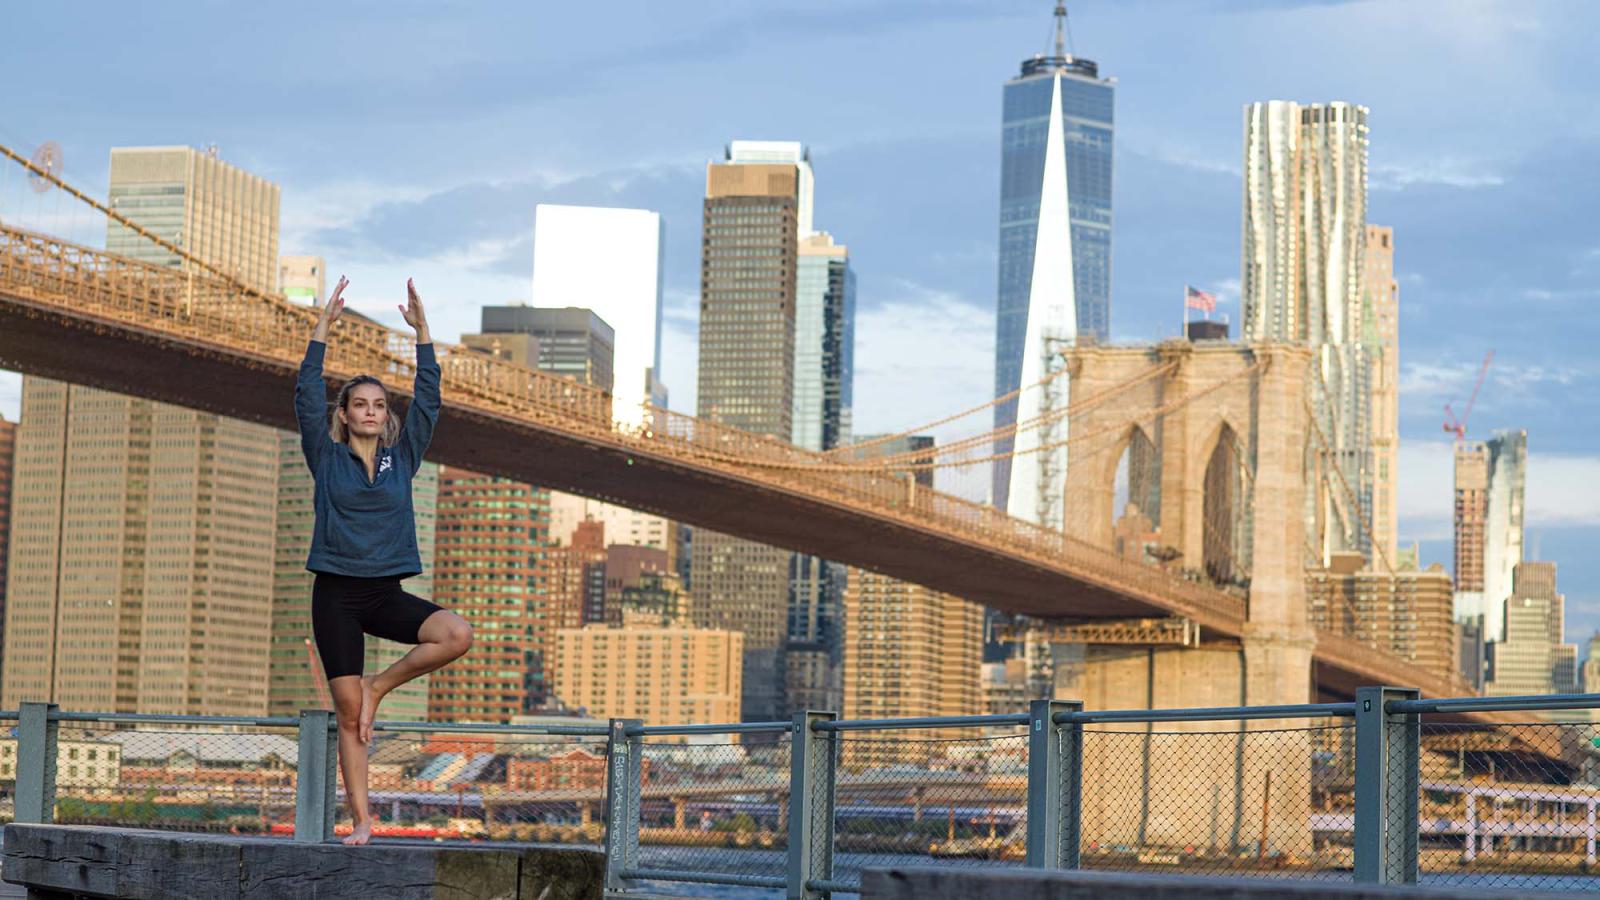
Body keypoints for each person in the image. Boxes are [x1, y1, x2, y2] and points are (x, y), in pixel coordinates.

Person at [295, 275, 473, 845]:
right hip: (338, 597)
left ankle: (381, 685)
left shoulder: (404, 457)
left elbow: (429, 401)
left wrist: (424, 335)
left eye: (377, 405)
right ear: (344, 416)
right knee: (349, 718)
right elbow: (304, 393)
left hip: (384, 592)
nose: (370, 411)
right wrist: (320, 331)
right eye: (359, 405)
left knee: (456, 633)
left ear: (384, 416)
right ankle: (365, 822)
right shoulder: (325, 457)